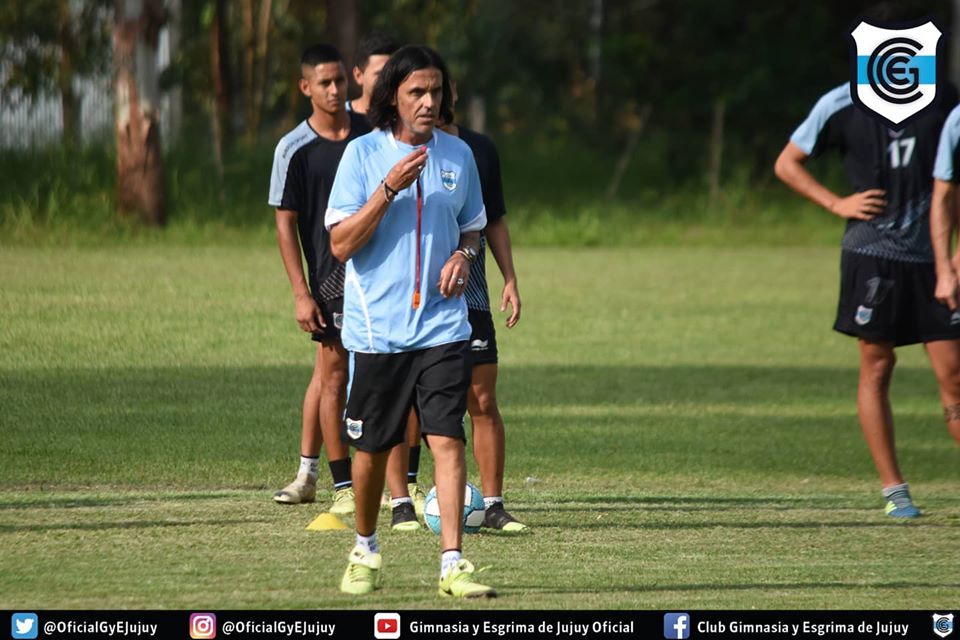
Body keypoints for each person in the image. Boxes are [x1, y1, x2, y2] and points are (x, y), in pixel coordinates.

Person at [325, 45, 495, 598]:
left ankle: (452, 564)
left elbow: (473, 226)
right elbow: (341, 243)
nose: (428, 102)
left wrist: (464, 257)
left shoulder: (459, 157)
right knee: (372, 451)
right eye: (416, 92)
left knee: (448, 438)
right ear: (392, 97)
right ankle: (366, 548)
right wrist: (389, 187)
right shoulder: (361, 156)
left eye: (436, 91)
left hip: (444, 328)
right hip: (379, 334)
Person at [774, 71, 960, 518]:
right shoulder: (840, 102)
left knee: (953, 373)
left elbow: (953, 189)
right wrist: (837, 203)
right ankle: (895, 492)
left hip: (934, 259)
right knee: (878, 365)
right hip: (872, 258)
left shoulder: (946, 104)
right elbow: (786, 163)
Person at [267, 44, 370, 513]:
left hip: (380, 276)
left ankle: (395, 487)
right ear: (305, 87)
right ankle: (343, 488)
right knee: (334, 376)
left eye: (339, 82)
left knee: (384, 375)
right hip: (331, 283)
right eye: (323, 83)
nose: (334, 90)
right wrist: (301, 293)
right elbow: (285, 224)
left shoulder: (372, 133)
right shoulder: (294, 149)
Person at [345, 32, 399, 116]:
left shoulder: (403, 119)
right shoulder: (340, 117)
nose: (387, 80)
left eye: (391, 73)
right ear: (358, 75)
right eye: (379, 74)